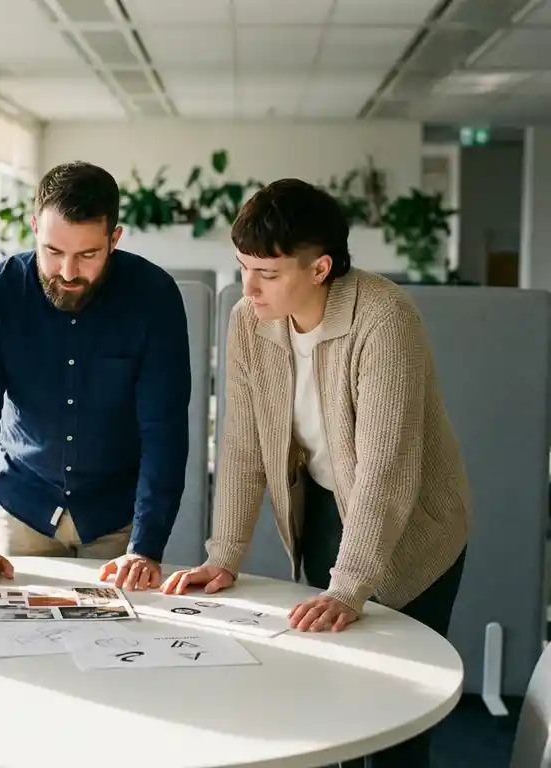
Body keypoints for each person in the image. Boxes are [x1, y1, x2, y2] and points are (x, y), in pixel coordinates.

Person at [161, 178, 470, 767]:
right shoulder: (250, 321)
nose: (248, 287)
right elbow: (243, 444)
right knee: (337, 697)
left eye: (267, 274)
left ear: (320, 267)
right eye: (243, 267)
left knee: (399, 719)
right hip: (328, 509)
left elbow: (384, 470)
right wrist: (223, 556)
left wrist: (349, 586)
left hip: (416, 524)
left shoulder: (384, 320)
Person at [0, 160, 192, 591]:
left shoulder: (154, 298)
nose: (67, 272)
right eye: (53, 251)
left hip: (119, 524)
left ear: (114, 239)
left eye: (87, 255)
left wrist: (146, 546)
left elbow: (164, 431)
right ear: (34, 228)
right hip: (22, 512)